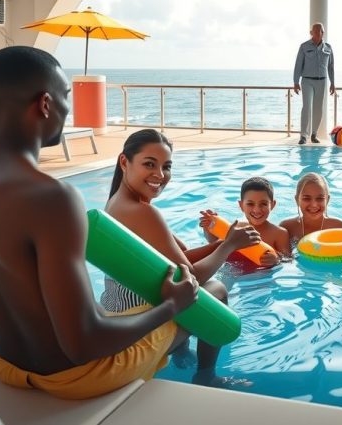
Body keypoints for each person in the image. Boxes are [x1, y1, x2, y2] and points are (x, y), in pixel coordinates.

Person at [0, 47, 198, 400]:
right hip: (78, 377)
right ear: (45, 104)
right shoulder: (52, 197)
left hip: (5, 364)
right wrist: (173, 305)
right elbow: (83, 344)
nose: (69, 108)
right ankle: (207, 378)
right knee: (207, 296)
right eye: (66, 97)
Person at [102, 128, 260, 387]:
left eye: (167, 166)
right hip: (134, 332)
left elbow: (177, 257)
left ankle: (180, 352)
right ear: (124, 162)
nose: (160, 175)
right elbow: (191, 279)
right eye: (149, 164)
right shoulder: (141, 212)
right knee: (217, 290)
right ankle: (207, 376)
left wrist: (221, 242)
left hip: (114, 314)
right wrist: (228, 247)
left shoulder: (117, 203)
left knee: (177, 282)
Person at [198, 177, 292, 267]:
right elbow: (214, 243)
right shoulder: (236, 229)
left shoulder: (279, 234)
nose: (257, 210)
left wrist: (277, 259)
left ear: (272, 205)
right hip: (234, 273)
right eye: (250, 204)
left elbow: (288, 260)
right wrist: (208, 228)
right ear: (241, 205)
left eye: (263, 204)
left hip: (264, 277)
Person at [292, 22, 336, 145]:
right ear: (311, 32)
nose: (318, 33)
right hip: (307, 81)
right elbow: (298, 65)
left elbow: (331, 67)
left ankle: (314, 134)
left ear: (323, 33)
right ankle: (303, 136)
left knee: (318, 109)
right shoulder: (304, 46)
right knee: (306, 107)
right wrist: (296, 82)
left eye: (320, 31)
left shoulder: (328, 48)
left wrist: (333, 83)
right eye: (315, 31)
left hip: (322, 81)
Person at [277, 172, 342, 243]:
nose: (314, 205)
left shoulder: (340, 227)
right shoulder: (286, 228)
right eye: (306, 198)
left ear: (327, 200)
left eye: (320, 198)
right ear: (297, 200)